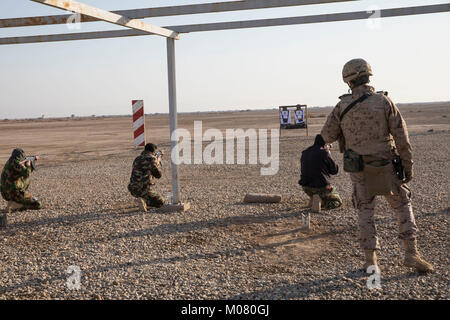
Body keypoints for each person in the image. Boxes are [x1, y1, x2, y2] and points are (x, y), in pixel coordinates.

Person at [320, 58, 433, 273]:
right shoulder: (384, 102)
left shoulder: (341, 106)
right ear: (368, 76)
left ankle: (371, 261)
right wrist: (408, 166)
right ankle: (411, 254)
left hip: (360, 170)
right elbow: (402, 138)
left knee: (365, 212)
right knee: (402, 206)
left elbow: (327, 135)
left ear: (348, 81)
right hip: (387, 166)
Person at [299, 134, 342, 210]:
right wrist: (329, 154)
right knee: (337, 200)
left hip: (306, 188)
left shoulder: (305, 152)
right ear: (325, 144)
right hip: (322, 188)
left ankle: (313, 198)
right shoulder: (325, 153)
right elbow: (334, 170)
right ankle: (321, 203)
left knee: (315, 185)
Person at [128, 143, 165, 211]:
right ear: (153, 151)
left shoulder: (137, 158)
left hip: (133, 188)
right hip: (144, 189)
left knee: (150, 194)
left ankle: (142, 198)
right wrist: (158, 162)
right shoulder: (151, 159)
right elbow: (158, 175)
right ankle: (144, 201)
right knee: (162, 202)